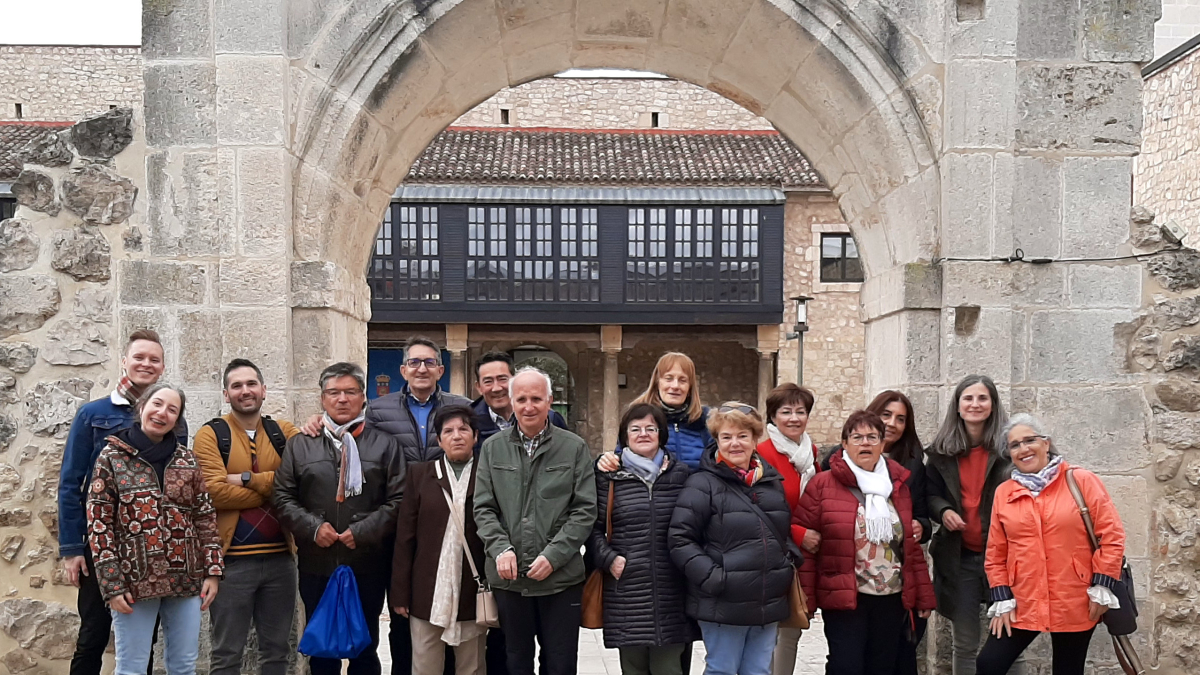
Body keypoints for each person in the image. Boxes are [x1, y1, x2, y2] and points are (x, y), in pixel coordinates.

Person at [59, 329, 184, 675]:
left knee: (143, 642)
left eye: (154, 359)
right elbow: (71, 484)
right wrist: (72, 548)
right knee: (92, 637)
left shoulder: (174, 420)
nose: (146, 364)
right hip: (101, 547)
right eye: (139, 357)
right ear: (125, 361)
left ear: (161, 368)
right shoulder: (93, 414)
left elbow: (176, 488)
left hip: (150, 550)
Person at [274, 362, 405, 675]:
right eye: (333, 392)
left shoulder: (385, 444)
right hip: (317, 562)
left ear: (363, 397)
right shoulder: (300, 444)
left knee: (365, 646)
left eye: (350, 392)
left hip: (368, 562)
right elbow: (282, 497)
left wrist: (362, 530)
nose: (342, 399)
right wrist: (313, 527)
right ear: (322, 399)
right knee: (322, 650)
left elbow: (399, 500)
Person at [86, 384, 223, 675]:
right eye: (157, 404)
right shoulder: (111, 458)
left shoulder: (186, 460)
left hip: (186, 580)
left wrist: (212, 570)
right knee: (131, 668)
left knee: (184, 666)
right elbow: (100, 527)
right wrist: (112, 585)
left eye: (172, 409)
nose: (163, 413)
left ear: (178, 419)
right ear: (142, 407)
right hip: (134, 582)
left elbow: (205, 517)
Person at [977, 414, 1125, 675]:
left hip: (1075, 597)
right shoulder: (1004, 492)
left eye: (1030, 440)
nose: (1023, 449)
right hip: (1023, 599)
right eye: (1015, 445)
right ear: (1009, 454)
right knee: (990, 663)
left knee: (1068, 669)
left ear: (1046, 443)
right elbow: (996, 551)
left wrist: (1103, 584)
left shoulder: (1081, 480)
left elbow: (1111, 535)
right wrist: (1001, 596)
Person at [473, 368, 597, 675]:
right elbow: (483, 508)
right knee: (515, 662)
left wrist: (553, 556)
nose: (529, 406)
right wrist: (501, 548)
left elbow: (584, 510)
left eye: (536, 399)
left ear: (550, 402)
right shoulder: (492, 448)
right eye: (522, 399)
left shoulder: (574, 448)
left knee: (560, 663)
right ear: (512, 402)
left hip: (561, 579)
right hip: (510, 580)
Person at [793, 410, 935, 675]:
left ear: (883, 443)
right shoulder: (823, 484)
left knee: (881, 666)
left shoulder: (898, 485)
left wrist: (923, 595)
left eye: (872, 437)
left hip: (891, 598)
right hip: (845, 596)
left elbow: (910, 548)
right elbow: (806, 544)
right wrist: (807, 599)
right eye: (857, 437)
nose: (865, 443)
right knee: (845, 666)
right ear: (844, 444)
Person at [668, 403, 797, 675]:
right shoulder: (702, 484)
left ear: (754, 440)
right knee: (722, 670)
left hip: (767, 599)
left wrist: (787, 563)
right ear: (716, 441)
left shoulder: (771, 482)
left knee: (759, 671)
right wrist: (715, 578)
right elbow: (680, 540)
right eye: (726, 437)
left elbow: (781, 530)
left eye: (742, 436)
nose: (734, 444)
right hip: (724, 601)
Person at [193, 359, 301, 675]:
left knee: (278, 653)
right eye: (237, 386)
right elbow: (213, 492)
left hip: (281, 561)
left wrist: (243, 478)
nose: (245, 391)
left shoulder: (284, 431)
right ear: (226, 394)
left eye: (251, 384)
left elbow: (299, 480)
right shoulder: (211, 435)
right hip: (231, 565)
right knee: (226, 654)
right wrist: (275, 486)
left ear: (264, 390)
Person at [587, 403, 697, 675]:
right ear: (625, 436)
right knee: (633, 667)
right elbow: (591, 528)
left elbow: (696, 526)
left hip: (672, 588)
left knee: (669, 666)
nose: (643, 434)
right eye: (635, 429)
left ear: (661, 434)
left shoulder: (682, 475)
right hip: (626, 588)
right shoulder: (608, 477)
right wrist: (609, 559)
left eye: (651, 428)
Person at [926, 375, 1019, 675]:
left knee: (1010, 642)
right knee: (964, 642)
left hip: (1006, 560)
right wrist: (942, 511)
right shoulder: (941, 452)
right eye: (968, 398)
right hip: (959, 557)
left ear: (992, 405)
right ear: (957, 405)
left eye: (982, 398)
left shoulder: (1010, 451)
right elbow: (929, 495)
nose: (975, 404)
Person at [392, 405, 489, 675]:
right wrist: (400, 592)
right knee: (424, 666)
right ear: (439, 440)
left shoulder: (487, 474)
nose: (456, 436)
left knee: (472, 667)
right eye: (448, 431)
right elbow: (405, 538)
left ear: (476, 436)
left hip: (472, 588)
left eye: (463, 429)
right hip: (426, 591)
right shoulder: (420, 475)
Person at [753, 384, 820, 675]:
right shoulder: (761, 453)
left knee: (794, 627)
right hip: (773, 551)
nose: (794, 418)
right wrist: (798, 533)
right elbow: (756, 509)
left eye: (800, 411)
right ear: (773, 416)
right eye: (786, 412)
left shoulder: (811, 453)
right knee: (770, 631)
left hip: (805, 556)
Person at [864, 390, 931, 675]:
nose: (892, 423)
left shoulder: (913, 464)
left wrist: (921, 526)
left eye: (900, 419)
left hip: (899, 575)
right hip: (858, 576)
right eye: (886, 415)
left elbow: (924, 517)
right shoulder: (843, 460)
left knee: (898, 655)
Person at [366, 336, 473, 464]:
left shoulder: (464, 407)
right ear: (404, 371)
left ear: (440, 371)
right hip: (398, 483)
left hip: (446, 483)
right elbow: (371, 459)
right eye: (414, 362)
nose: (422, 369)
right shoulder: (377, 410)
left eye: (429, 362)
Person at [471, 350, 568, 452]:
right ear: (478, 387)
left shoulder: (550, 418)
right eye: (488, 381)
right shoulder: (468, 423)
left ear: (515, 380)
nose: (497, 388)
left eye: (502, 379)